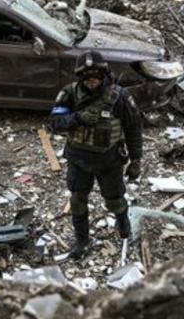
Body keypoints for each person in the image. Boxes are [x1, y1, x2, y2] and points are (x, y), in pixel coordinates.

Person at [47, 50, 143, 260]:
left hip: (109, 161)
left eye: (96, 76)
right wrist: (78, 118)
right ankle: (81, 241)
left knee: (115, 201)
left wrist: (136, 159)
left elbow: (133, 127)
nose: (92, 81)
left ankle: (124, 228)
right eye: (87, 76)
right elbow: (54, 123)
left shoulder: (119, 97)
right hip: (79, 159)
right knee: (77, 200)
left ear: (104, 74)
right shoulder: (69, 93)